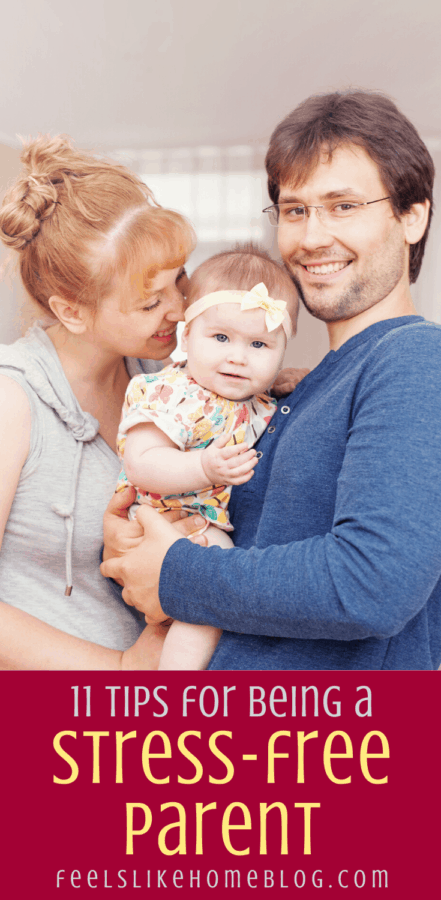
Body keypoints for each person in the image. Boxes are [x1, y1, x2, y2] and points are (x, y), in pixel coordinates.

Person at [102, 89, 441, 671]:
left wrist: (174, 573)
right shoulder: (290, 390)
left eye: (343, 206)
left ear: (412, 216)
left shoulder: (415, 359)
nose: (312, 237)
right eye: (294, 209)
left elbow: (369, 583)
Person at [0, 133, 201, 670]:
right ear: (71, 312)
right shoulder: (11, 399)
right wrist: (118, 672)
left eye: (178, 281)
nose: (179, 309)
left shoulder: (158, 379)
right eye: (149, 301)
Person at [115, 247, 300, 669]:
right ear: (185, 336)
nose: (237, 356)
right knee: (211, 594)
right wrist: (202, 467)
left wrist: (293, 380)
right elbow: (141, 461)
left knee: (214, 590)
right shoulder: (169, 391)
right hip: (159, 518)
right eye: (220, 338)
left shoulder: (258, 402)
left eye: (259, 344)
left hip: (198, 523)